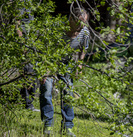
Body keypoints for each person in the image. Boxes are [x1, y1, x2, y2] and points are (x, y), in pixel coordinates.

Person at [40, 7, 90, 137]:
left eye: (84, 22)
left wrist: (79, 64)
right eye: (80, 22)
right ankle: (48, 125)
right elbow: (46, 48)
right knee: (46, 88)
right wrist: (44, 70)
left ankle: (67, 127)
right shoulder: (58, 28)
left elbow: (83, 49)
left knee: (68, 92)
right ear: (71, 19)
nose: (82, 25)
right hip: (50, 61)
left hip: (67, 63)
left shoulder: (84, 32)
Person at [17, 1, 40, 112]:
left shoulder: (31, 4)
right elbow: (17, 24)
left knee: (33, 71)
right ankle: (27, 103)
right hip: (26, 44)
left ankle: (27, 101)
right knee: (28, 72)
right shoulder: (23, 3)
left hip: (32, 42)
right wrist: (22, 44)